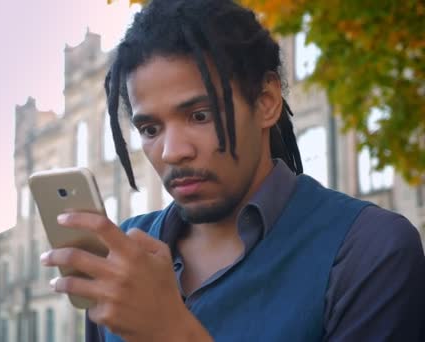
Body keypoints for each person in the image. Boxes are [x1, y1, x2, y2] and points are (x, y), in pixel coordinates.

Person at [39, 0, 425, 341]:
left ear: (267, 102)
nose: (172, 152)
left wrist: (172, 332)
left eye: (200, 115)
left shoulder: (371, 250)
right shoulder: (122, 254)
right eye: (150, 129)